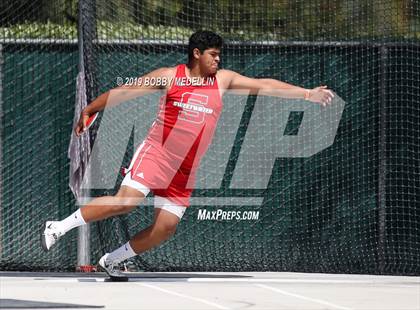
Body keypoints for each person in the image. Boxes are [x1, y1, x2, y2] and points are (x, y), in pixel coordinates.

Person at [41, 30, 334, 279]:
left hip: (185, 169)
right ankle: (58, 227)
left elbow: (265, 85)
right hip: (156, 154)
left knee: (165, 228)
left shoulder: (223, 80)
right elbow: (125, 91)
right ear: (196, 54)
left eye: (219, 55)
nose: (218, 60)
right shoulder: (169, 77)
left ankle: (113, 260)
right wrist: (90, 109)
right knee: (126, 201)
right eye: (213, 54)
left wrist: (306, 94)